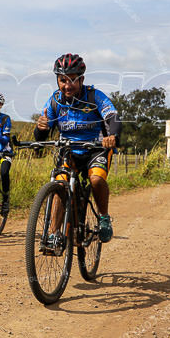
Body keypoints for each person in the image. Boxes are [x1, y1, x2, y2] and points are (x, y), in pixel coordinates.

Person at [34, 53, 121, 245]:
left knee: (96, 179)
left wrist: (112, 136)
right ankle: (54, 235)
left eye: (73, 80)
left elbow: (113, 117)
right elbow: (42, 132)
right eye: (63, 80)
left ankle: (104, 218)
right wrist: (40, 129)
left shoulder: (94, 96)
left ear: (81, 79)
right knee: (59, 185)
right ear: (57, 80)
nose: (67, 85)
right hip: (68, 149)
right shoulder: (55, 100)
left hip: (96, 148)